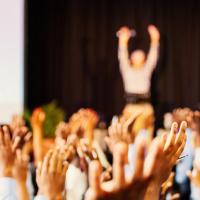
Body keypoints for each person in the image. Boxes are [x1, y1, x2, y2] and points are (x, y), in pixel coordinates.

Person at [117, 24, 160, 140]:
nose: (138, 56)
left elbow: (153, 57)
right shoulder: (127, 70)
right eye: (135, 55)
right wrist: (123, 40)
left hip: (145, 108)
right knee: (130, 138)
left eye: (141, 55)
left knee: (146, 139)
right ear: (131, 59)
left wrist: (155, 39)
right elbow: (122, 55)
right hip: (131, 108)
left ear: (144, 59)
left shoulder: (146, 70)